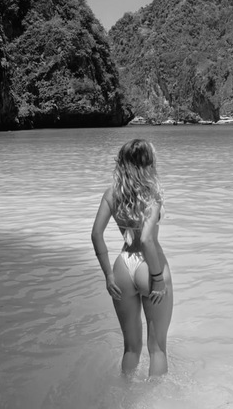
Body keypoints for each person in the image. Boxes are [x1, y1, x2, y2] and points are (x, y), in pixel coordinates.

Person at [92, 139, 173, 378]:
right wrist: (157, 279)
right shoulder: (152, 195)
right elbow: (146, 239)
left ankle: (124, 390)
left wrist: (108, 275)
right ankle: (157, 397)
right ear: (148, 163)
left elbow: (96, 235)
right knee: (157, 348)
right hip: (150, 267)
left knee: (130, 348)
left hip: (123, 266)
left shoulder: (111, 194)